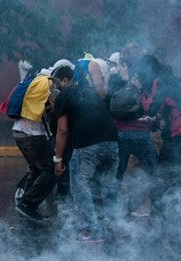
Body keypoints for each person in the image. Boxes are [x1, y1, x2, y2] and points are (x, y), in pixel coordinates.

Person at [51, 65, 120, 243]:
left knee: (80, 188)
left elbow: (62, 130)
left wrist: (57, 159)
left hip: (88, 146)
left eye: (56, 83)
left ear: (65, 81)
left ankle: (91, 231)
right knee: (103, 187)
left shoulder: (64, 96)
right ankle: (113, 226)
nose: (54, 88)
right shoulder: (90, 91)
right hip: (112, 144)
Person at [129, 55, 181, 215]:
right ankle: (173, 215)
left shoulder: (160, 82)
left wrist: (138, 90)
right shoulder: (176, 81)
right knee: (171, 176)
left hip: (177, 139)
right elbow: (167, 108)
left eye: (139, 75)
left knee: (162, 176)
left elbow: (150, 106)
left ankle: (163, 217)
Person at [107, 50, 159, 218]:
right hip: (140, 134)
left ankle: (117, 210)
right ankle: (157, 209)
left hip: (120, 134)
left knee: (118, 174)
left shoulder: (113, 84)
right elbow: (148, 108)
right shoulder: (141, 85)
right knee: (153, 171)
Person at [10, 74, 58, 224]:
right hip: (32, 134)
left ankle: (25, 207)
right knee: (51, 168)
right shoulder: (49, 86)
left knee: (36, 169)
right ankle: (27, 205)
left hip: (18, 131)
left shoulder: (34, 86)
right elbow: (56, 108)